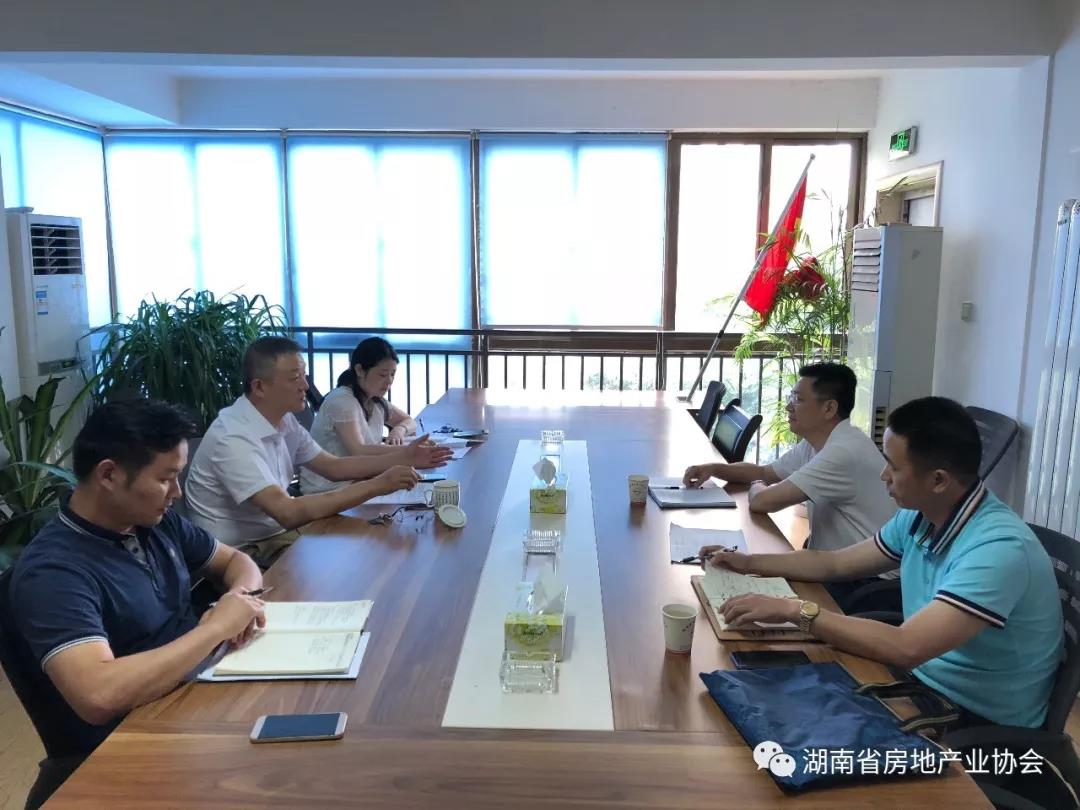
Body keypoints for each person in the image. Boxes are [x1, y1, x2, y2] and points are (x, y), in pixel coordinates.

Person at [701, 397, 1063, 729]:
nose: (883, 475)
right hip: (918, 682)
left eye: (893, 465)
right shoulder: (921, 515)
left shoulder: (998, 549)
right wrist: (747, 563)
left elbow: (907, 646)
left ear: (938, 480)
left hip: (972, 718)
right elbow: (835, 564)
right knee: (762, 693)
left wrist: (795, 610)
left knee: (780, 716)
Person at [7, 400, 266, 809]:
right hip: (130, 748)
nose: (177, 492)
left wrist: (239, 599)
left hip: (194, 704)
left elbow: (236, 561)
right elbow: (98, 694)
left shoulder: (154, 521)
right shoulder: (54, 571)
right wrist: (216, 628)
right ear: (108, 475)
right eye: (166, 478)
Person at [185, 337, 452, 566]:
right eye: (295, 378)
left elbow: (334, 467)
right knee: (355, 560)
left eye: (304, 375)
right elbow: (287, 511)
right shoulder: (233, 437)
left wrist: (405, 457)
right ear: (259, 387)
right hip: (242, 552)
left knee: (377, 546)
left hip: (276, 534)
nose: (305, 385)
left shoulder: (284, 420)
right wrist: (377, 485)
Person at [683, 362, 896, 605]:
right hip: (836, 565)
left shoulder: (843, 452)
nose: (788, 407)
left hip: (868, 582)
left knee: (741, 598)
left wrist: (757, 484)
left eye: (798, 399)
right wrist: (714, 469)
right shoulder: (819, 442)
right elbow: (765, 471)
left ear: (829, 408)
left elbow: (763, 501)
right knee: (736, 586)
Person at [301, 337, 419, 494]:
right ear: (359, 370)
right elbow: (359, 450)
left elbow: (408, 420)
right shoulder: (342, 400)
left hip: (359, 479)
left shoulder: (374, 399)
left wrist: (399, 430)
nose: (389, 381)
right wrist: (409, 452)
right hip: (328, 487)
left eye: (392, 374)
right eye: (383, 375)